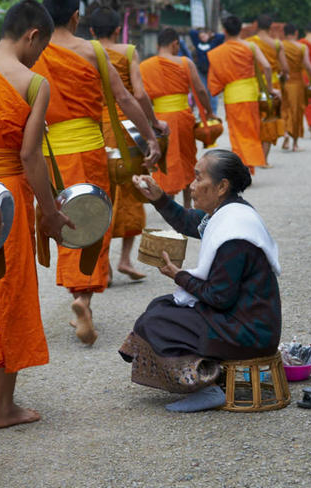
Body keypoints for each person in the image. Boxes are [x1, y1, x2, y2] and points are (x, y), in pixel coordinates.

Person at [32, 0, 161, 345]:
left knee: (63, 219)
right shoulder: (92, 53)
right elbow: (125, 98)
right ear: (76, 16)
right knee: (92, 220)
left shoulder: (35, 53)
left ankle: (77, 295)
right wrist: (150, 136)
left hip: (50, 154)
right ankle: (82, 298)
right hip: (89, 148)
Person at [0, 0, 73, 429]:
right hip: (7, 194)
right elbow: (30, 156)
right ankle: (5, 407)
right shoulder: (34, 83)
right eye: (41, 47)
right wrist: (48, 211)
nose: (39, 57)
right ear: (32, 36)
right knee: (7, 292)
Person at [119, 149, 282, 413]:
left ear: (221, 186)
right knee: (162, 306)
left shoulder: (234, 234)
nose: (192, 186)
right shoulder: (228, 211)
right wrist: (159, 198)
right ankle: (210, 376)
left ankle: (206, 387)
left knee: (157, 323)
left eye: (198, 179)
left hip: (250, 331)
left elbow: (219, 297)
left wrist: (179, 275)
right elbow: (187, 221)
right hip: (243, 318)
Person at [89, 6, 165, 281]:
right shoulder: (128, 52)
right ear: (118, 30)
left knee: (99, 196)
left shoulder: (84, 54)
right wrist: (153, 124)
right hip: (127, 129)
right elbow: (140, 94)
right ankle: (124, 259)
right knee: (133, 192)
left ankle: (103, 265)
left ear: (92, 32)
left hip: (94, 131)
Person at [141, 27, 216, 208]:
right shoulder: (184, 62)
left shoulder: (144, 66)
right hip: (183, 118)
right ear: (175, 44)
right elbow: (200, 90)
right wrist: (209, 111)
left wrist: (149, 120)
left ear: (158, 44)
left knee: (164, 161)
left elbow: (141, 96)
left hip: (159, 120)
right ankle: (187, 204)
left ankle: (168, 203)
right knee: (187, 159)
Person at [207, 15, 275, 174]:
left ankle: (243, 167)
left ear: (224, 31)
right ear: (240, 30)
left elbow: (214, 81)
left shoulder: (218, 52)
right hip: (250, 94)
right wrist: (270, 89)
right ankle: (248, 166)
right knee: (251, 131)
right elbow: (267, 67)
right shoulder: (250, 46)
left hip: (232, 96)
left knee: (237, 135)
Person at [246, 14, 288, 166]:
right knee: (269, 120)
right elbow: (285, 67)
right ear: (271, 27)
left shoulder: (249, 43)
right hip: (273, 85)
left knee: (254, 121)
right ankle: (264, 159)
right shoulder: (277, 44)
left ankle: (252, 156)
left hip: (254, 86)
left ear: (256, 26)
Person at [281, 23, 311, 152]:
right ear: (295, 33)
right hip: (298, 82)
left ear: (284, 33)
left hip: (284, 81)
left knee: (285, 110)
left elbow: (279, 65)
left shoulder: (280, 46)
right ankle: (295, 144)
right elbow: (308, 66)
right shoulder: (302, 47)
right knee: (297, 111)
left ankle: (285, 134)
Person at [189, 27, 225, 116]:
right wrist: (199, 31)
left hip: (211, 70)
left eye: (204, 36)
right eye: (201, 37)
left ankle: (213, 112)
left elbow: (221, 36)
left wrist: (211, 34)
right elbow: (191, 33)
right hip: (201, 71)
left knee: (212, 91)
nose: (203, 38)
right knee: (203, 90)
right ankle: (203, 111)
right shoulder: (198, 44)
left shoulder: (213, 43)